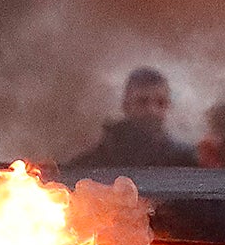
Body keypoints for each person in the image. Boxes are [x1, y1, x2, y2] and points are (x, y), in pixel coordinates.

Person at [69, 67, 199, 169]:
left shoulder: (185, 160)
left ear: (168, 106)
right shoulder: (99, 160)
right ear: (126, 105)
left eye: (160, 103)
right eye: (142, 102)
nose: (152, 110)